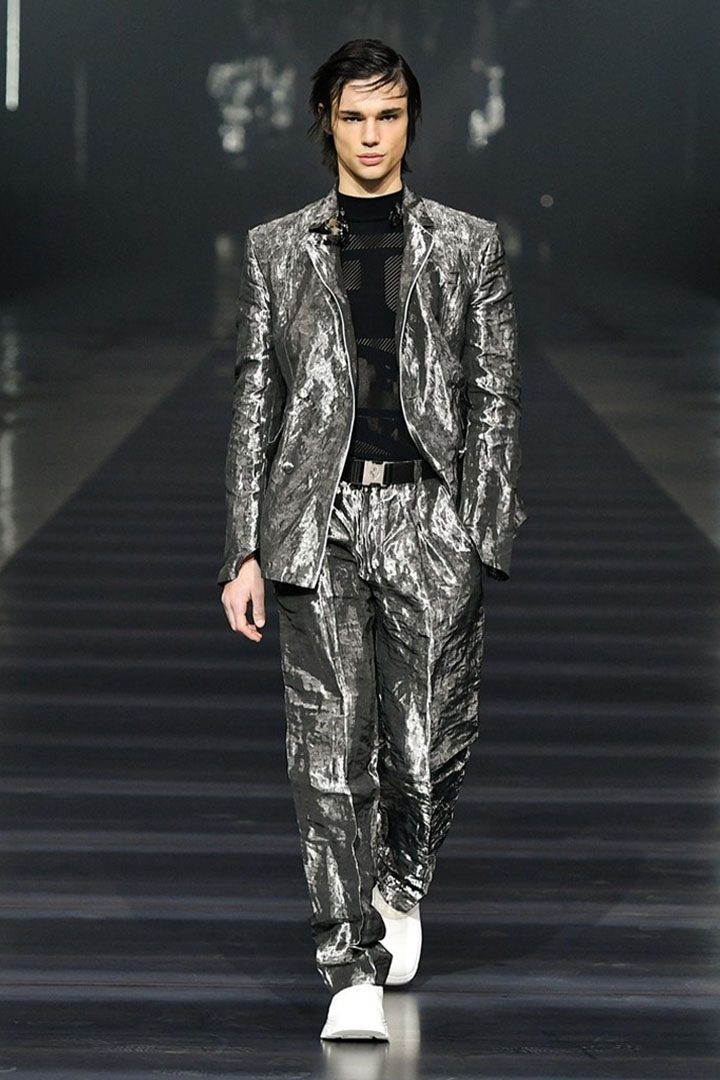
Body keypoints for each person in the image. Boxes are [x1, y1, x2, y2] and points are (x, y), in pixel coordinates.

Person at [219, 37, 526, 1042]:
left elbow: (494, 393)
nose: (370, 135)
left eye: (387, 116)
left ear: (409, 123)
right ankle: (348, 962)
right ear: (327, 123)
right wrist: (243, 548)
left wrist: (479, 528)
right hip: (318, 519)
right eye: (353, 116)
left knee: (430, 743)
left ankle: (401, 881)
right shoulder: (275, 248)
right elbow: (256, 401)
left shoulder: (468, 245)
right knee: (328, 749)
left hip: (430, 516)